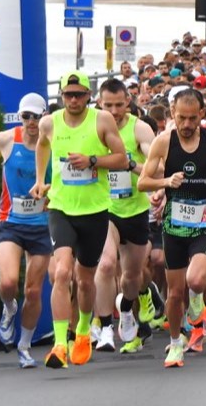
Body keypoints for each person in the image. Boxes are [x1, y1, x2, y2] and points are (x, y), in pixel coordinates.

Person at [31, 72, 130, 369]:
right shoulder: (50, 123)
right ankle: (61, 344)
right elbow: (42, 145)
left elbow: (122, 159)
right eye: (68, 95)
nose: (73, 100)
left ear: (89, 96)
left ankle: (85, 329)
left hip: (95, 211)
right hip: (61, 208)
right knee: (62, 272)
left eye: (79, 95)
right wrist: (40, 179)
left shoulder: (102, 120)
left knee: (85, 280)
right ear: (61, 96)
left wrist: (92, 161)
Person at [137, 88, 206, 368]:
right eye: (181, 118)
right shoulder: (163, 142)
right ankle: (176, 343)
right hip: (174, 225)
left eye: (193, 118)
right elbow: (143, 182)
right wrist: (165, 183)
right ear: (173, 114)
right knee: (175, 291)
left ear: (202, 114)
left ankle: (198, 302)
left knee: (195, 280)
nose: (187, 124)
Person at [0, 93, 52, 368]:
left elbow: (64, 177)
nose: (31, 122)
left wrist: (52, 192)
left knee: (33, 291)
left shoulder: (54, 142)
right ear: (20, 117)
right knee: (9, 283)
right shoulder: (6, 139)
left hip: (42, 224)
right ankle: (9, 308)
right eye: (26, 116)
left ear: (44, 116)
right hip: (11, 221)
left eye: (36, 116)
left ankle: (24, 346)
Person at [93, 79, 161, 355]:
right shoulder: (92, 127)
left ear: (128, 102)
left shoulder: (139, 128)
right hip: (103, 208)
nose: (113, 111)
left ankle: (126, 308)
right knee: (107, 263)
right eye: (107, 105)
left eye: (119, 105)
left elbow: (157, 167)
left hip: (135, 209)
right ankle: (105, 328)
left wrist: (130, 164)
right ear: (99, 103)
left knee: (131, 277)